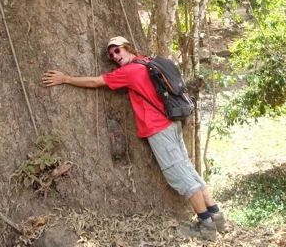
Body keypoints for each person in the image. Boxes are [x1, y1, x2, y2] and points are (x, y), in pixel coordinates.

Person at [42, 36, 226, 240]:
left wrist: (65, 78)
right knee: (188, 170)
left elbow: (96, 82)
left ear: (127, 48)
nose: (114, 56)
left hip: (159, 128)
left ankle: (206, 225)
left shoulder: (130, 71)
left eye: (118, 51)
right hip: (172, 121)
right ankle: (217, 216)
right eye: (111, 55)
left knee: (180, 176)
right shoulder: (147, 61)